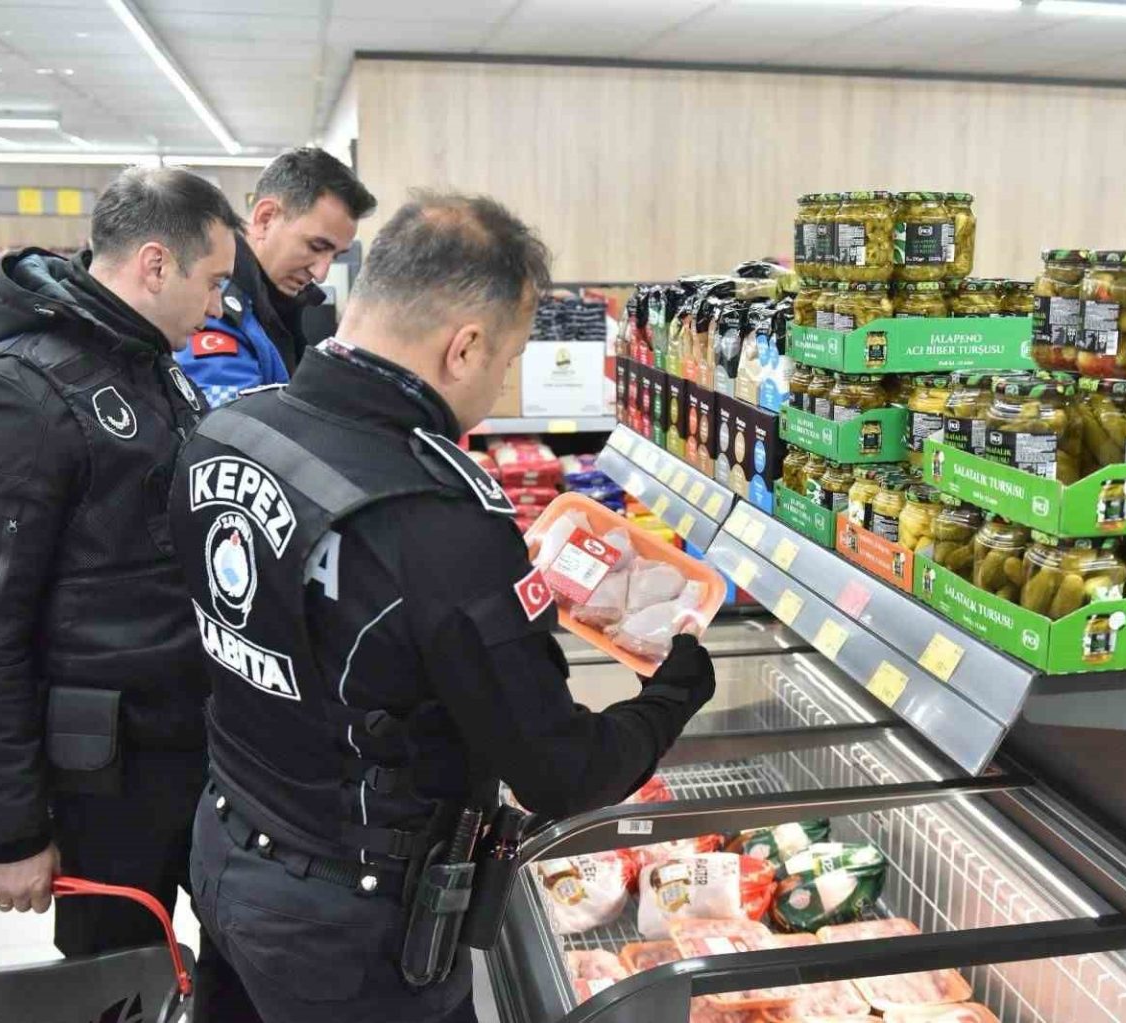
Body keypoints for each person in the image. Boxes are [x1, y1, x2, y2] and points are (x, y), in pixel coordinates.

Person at [168, 192, 718, 1023]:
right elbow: (560, 771)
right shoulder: (440, 518)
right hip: (352, 932)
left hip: (227, 848)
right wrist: (676, 688)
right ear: (463, 348)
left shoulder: (230, 429)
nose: (499, 386)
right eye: (508, 360)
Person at [0, 167, 254, 1013]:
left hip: (185, 742)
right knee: (118, 985)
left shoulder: (145, 363)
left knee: (234, 964)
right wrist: (10, 831)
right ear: (155, 264)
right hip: (103, 780)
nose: (219, 305)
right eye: (214, 281)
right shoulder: (14, 397)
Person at [175, 146, 376, 407]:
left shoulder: (277, 300)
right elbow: (233, 423)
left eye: (335, 256)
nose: (321, 274)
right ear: (266, 219)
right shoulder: (214, 306)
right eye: (316, 246)